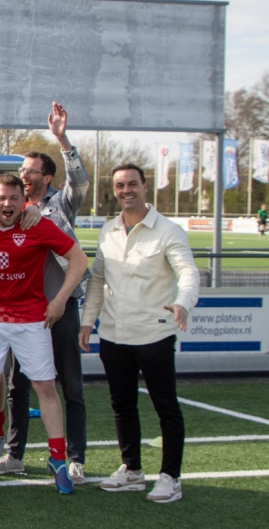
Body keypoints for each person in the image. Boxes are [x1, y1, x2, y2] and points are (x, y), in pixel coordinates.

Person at [79, 164, 200, 504]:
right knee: (122, 406)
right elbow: (98, 280)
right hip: (113, 336)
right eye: (120, 185)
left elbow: (188, 272)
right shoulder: (108, 231)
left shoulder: (169, 231)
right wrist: (87, 321)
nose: (126, 190)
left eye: (132, 183)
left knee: (166, 407)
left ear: (145, 187)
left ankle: (171, 478)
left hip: (154, 335)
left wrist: (183, 303)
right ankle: (132, 470)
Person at [0, 103, 91, 483]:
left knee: (71, 385)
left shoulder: (60, 204)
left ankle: (74, 458)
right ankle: (15, 454)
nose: (25, 176)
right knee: (18, 385)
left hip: (61, 308)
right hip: (27, 311)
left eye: (32, 171)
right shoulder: (12, 209)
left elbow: (80, 183)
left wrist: (62, 139)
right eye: (22, 171)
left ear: (48, 178)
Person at [0, 173, 88, 493]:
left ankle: (58, 461)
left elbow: (79, 259)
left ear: (24, 201)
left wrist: (60, 300)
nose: (7, 204)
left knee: (45, 388)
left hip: (31, 319)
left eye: (14, 198)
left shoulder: (36, 224)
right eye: (1, 198)